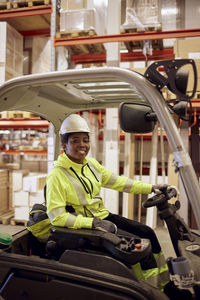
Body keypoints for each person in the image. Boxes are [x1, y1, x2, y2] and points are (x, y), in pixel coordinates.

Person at [46, 114, 191, 300]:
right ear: (64, 145)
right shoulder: (57, 175)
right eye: (75, 140)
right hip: (86, 228)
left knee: (147, 232)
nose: (82, 144)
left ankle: (165, 285)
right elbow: (56, 217)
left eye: (85, 140)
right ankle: (148, 291)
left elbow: (120, 182)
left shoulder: (91, 165)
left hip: (102, 219)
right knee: (140, 246)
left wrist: (153, 187)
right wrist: (92, 223)